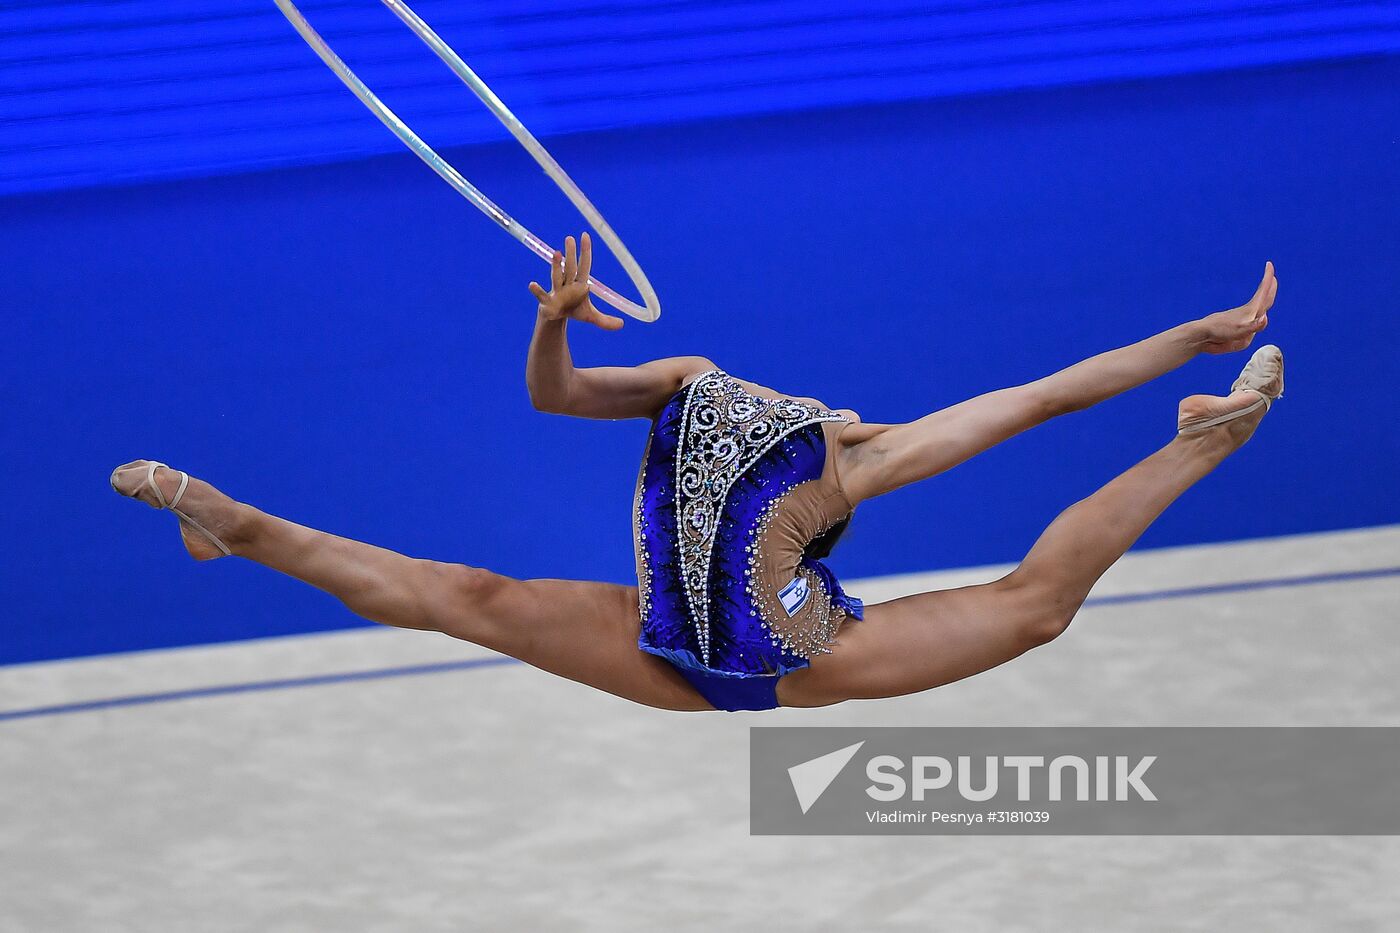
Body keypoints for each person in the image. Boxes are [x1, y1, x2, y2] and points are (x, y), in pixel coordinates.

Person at [112, 233, 1283, 712]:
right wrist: (555, 321)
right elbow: (553, 396)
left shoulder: (858, 456)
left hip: (792, 649)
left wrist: (1190, 338)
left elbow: (1040, 396)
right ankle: (235, 521)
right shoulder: (689, 380)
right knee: (461, 600)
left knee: (1032, 613)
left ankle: (1197, 440)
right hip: (659, 637)